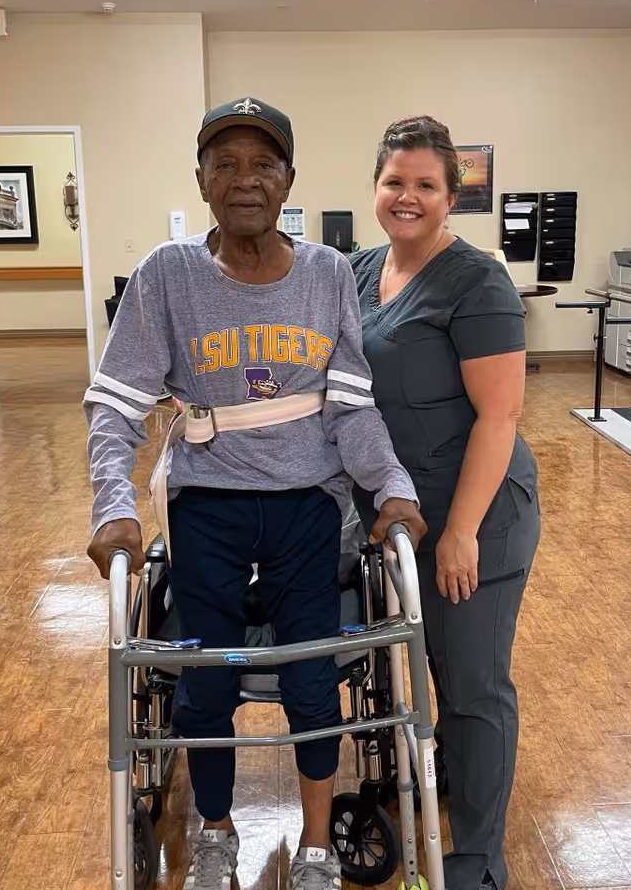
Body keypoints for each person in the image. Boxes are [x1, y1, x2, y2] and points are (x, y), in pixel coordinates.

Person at [83, 98, 426, 890]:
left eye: (262, 164)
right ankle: (215, 833)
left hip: (309, 506)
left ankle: (314, 847)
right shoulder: (167, 277)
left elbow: (352, 406)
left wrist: (394, 488)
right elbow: (117, 405)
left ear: (288, 182)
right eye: (225, 164)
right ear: (201, 180)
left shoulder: (328, 273)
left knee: (313, 680)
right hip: (208, 506)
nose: (244, 180)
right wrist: (114, 504)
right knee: (205, 681)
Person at [350, 116, 541, 890]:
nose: (407, 196)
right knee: (414, 667)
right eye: (395, 181)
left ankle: (479, 856)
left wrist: (459, 532)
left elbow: (501, 416)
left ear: (451, 196)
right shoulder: (362, 270)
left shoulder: (478, 281)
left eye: (426, 184)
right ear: (376, 187)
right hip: (397, 515)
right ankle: (434, 790)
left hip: (475, 513)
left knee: (469, 683)